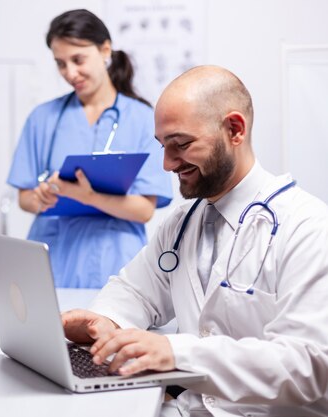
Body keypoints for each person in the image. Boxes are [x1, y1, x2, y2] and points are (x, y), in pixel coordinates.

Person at [62, 65, 328, 416]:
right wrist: (104, 322)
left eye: (181, 145)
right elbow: (136, 291)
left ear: (235, 129)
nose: (167, 164)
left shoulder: (308, 226)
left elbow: (310, 364)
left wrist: (176, 353)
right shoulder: (181, 223)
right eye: (162, 146)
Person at [7, 9, 173, 288]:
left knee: (112, 329)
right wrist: (41, 197)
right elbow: (25, 198)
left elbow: (144, 209)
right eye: (60, 64)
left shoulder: (143, 118)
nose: (70, 73)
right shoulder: (43, 118)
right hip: (51, 259)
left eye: (78, 59)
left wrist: (85, 196)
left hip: (116, 260)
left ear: (105, 50)